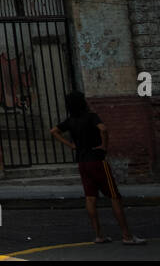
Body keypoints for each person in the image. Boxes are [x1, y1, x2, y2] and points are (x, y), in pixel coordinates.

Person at [50, 91, 144, 245]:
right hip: (96, 160)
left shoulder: (71, 120)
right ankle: (127, 235)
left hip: (82, 162)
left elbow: (53, 131)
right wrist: (104, 146)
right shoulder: (91, 116)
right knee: (114, 196)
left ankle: (99, 235)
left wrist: (71, 146)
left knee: (90, 198)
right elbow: (104, 129)